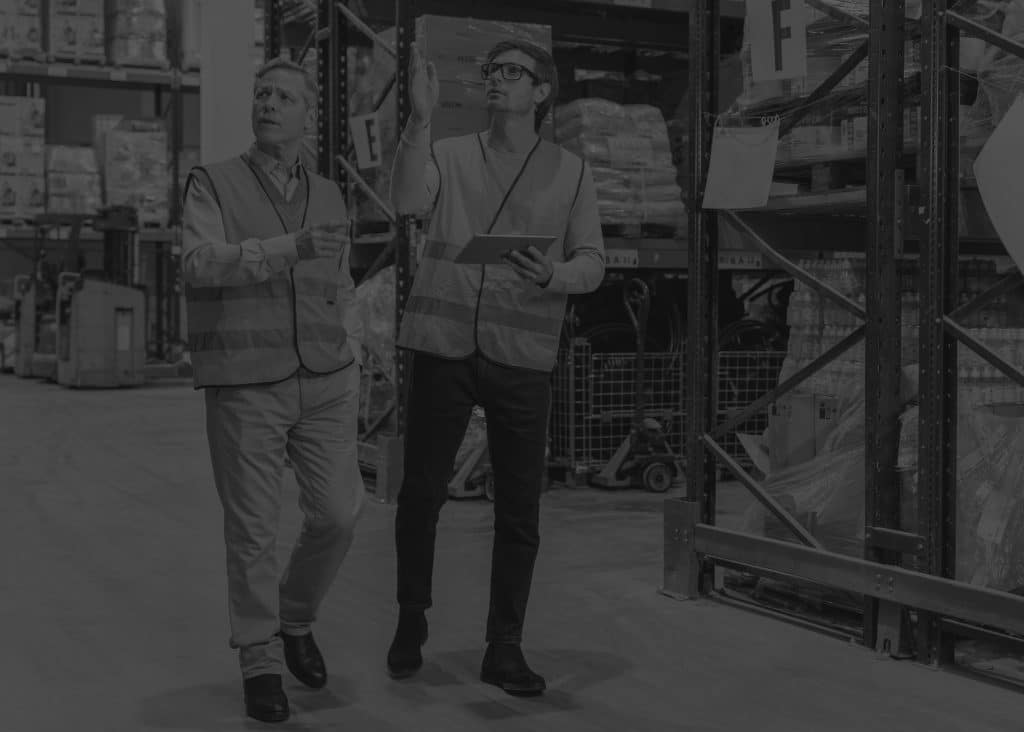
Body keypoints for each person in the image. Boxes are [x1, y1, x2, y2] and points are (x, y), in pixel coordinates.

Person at [386, 39, 605, 696]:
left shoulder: (571, 172)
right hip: (444, 344)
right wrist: (420, 123)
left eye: (513, 73)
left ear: (542, 92)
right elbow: (404, 202)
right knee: (421, 493)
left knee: (519, 511)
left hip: (521, 358)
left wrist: (557, 272)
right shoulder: (448, 155)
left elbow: (593, 260)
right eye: (493, 71)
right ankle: (409, 618)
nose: (498, 81)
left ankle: (503, 647)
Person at [181, 58, 365, 724]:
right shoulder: (213, 183)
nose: (268, 104)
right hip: (246, 384)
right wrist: (284, 247)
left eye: (285, 96)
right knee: (254, 531)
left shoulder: (331, 193)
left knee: (339, 515)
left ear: (307, 113)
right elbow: (199, 263)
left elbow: (339, 282)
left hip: (324, 379)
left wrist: (351, 344)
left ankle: (295, 617)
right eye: (262, 93)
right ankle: (259, 658)